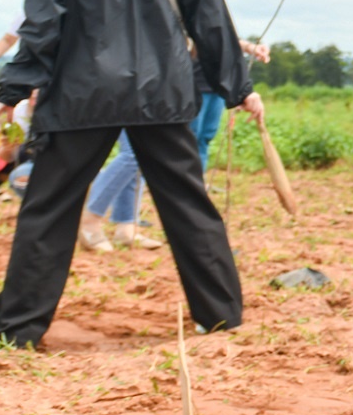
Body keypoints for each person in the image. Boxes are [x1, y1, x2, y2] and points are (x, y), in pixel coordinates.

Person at [0, 0, 259, 352]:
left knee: (49, 209)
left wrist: (12, 90)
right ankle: (220, 319)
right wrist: (238, 87)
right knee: (189, 203)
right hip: (161, 98)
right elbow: (211, 23)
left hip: (80, 98)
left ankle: (13, 331)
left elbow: (41, 26)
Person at [78, 33, 273, 253]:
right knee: (132, 155)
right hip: (129, 81)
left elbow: (207, 36)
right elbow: (201, 35)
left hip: (152, 85)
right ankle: (90, 220)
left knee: (136, 154)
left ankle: (126, 226)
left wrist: (246, 50)